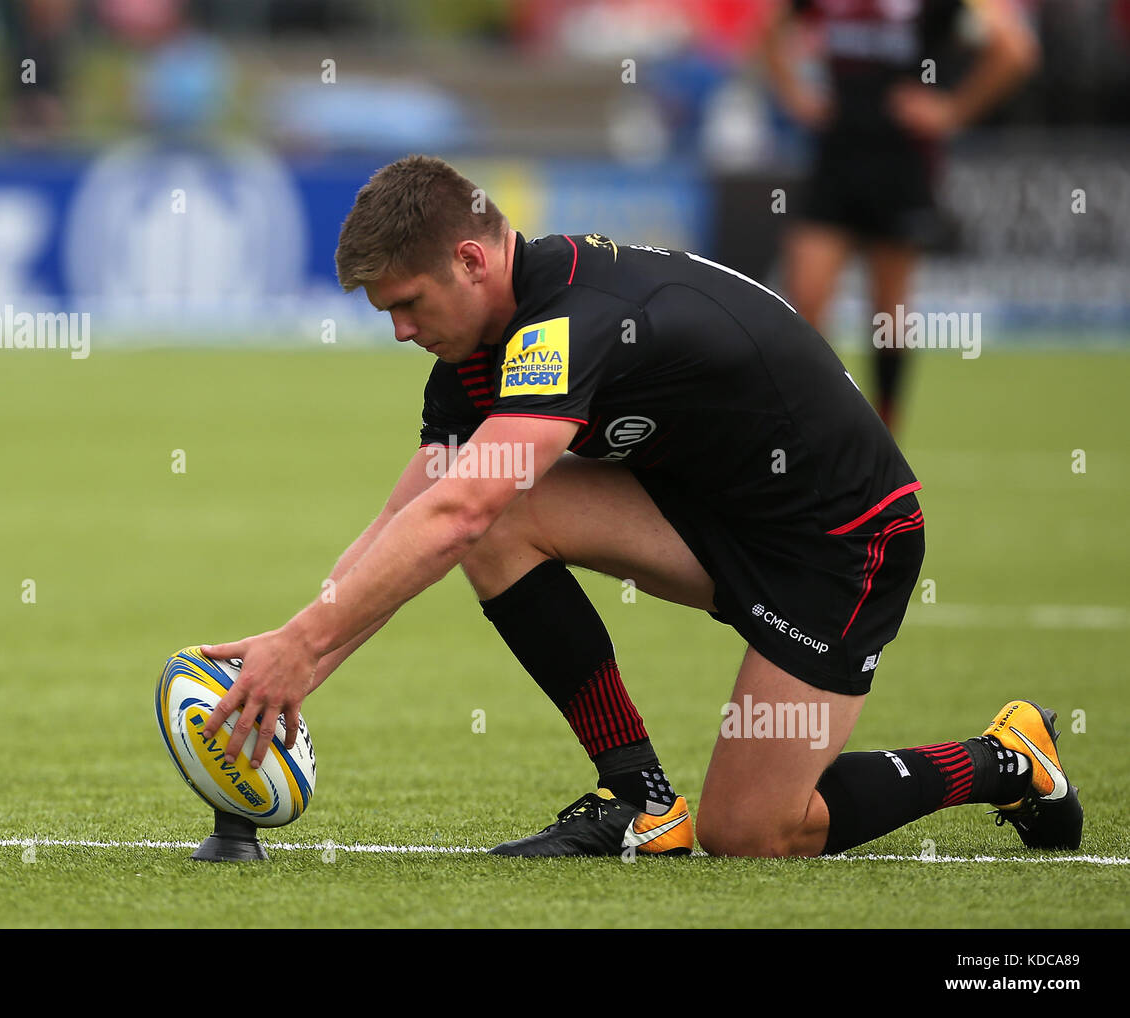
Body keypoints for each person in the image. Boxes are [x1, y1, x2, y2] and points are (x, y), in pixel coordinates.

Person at [198, 155, 1080, 858]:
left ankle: (1006, 759)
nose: (398, 331)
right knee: (493, 515)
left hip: (842, 540)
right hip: (709, 514)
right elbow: (412, 518)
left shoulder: (573, 319)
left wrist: (304, 649)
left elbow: (455, 511)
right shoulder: (473, 354)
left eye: (406, 304)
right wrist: (289, 664)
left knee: (753, 834)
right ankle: (640, 803)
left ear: (471, 260)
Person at [762, 0, 1038, 430]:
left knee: (888, 312)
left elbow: (1015, 50)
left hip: (902, 163)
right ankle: (813, 429)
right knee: (806, 302)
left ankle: (884, 435)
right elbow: (769, 30)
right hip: (835, 159)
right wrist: (795, 95)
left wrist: (952, 111)